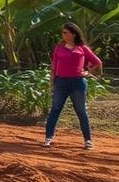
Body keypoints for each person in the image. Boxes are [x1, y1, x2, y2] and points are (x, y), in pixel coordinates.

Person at [43, 22, 103, 150]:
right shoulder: (59, 48)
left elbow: (98, 63)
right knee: (55, 109)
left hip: (78, 82)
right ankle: (48, 138)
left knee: (81, 111)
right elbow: (53, 67)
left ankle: (88, 141)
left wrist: (88, 72)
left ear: (73, 34)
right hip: (61, 83)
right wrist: (52, 84)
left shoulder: (82, 48)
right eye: (63, 33)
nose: (63, 35)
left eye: (66, 33)